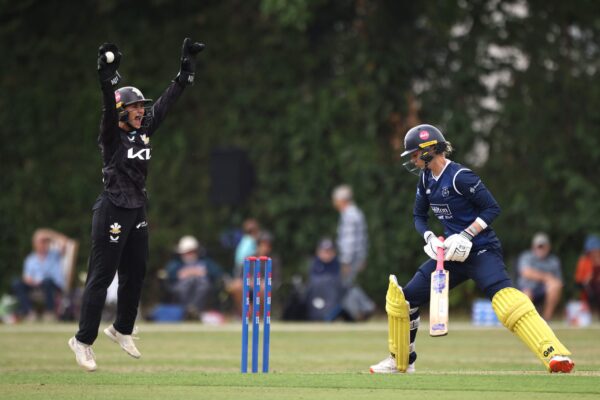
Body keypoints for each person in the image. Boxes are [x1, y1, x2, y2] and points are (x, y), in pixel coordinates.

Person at [369, 124, 574, 374]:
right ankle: (400, 361)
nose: (412, 159)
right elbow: (418, 215)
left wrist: (467, 234)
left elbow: (492, 208)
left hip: (480, 250)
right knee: (404, 299)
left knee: (507, 301)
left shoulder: (460, 177)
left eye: (414, 153)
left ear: (429, 150)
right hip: (451, 255)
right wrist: (430, 236)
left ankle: (554, 354)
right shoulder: (425, 179)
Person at [68, 38, 205, 372]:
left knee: (137, 272)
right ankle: (82, 341)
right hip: (112, 209)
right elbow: (106, 101)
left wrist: (185, 71)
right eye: (135, 107)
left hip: (136, 209)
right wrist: (108, 76)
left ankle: (121, 328)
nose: (142, 110)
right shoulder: (111, 134)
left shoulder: (143, 130)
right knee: (101, 277)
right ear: (121, 112)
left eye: (142, 106)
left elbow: (166, 104)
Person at [12, 229, 76, 322]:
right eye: (40, 242)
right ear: (34, 244)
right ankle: (29, 312)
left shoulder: (55, 254)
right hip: (36, 285)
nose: (42, 244)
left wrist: (48, 235)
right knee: (17, 283)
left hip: (53, 285)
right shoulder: (30, 259)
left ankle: (50, 313)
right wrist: (32, 281)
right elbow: (26, 277)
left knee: (47, 281)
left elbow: (66, 241)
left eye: (44, 242)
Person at [165, 236, 224, 318]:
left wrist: (204, 272)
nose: (189, 255)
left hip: (203, 287)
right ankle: (187, 311)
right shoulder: (176, 263)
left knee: (203, 285)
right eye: (186, 252)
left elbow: (218, 273)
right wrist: (182, 274)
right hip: (181, 287)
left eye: (191, 252)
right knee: (187, 284)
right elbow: (169, 275)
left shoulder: (206, 262)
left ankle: (193, 310)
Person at [517, 233, 563, 320]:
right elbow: (526, 272)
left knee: (555, 287)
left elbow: (558, 282)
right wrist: (546, 277)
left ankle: (546, 319)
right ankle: (528, 321)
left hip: (544, 290)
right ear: (533, 247)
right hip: (527, 288)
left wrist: (552, 282)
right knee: (527, 294)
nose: (541, 249)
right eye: (539, 246)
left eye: (543, 246)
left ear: (548, 247)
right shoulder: (526, 257)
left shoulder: (554, 261)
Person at [332, 185, 368, 286]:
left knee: (345, 288)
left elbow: (349, 240)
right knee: (350, 285)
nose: (334, 203)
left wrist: (345, 262)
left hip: (351, 259)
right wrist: (362, 257)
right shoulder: (355, 213)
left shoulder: (349, 215)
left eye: (336, 200)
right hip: (356, 257)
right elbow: (363, 238)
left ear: (342, 200)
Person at [575, 234, 600, 316]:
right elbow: (579, 280)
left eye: (596, 250)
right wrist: (587, 278)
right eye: (592, 251)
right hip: (588, 289)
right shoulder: (584, 261)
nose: (594, 253)